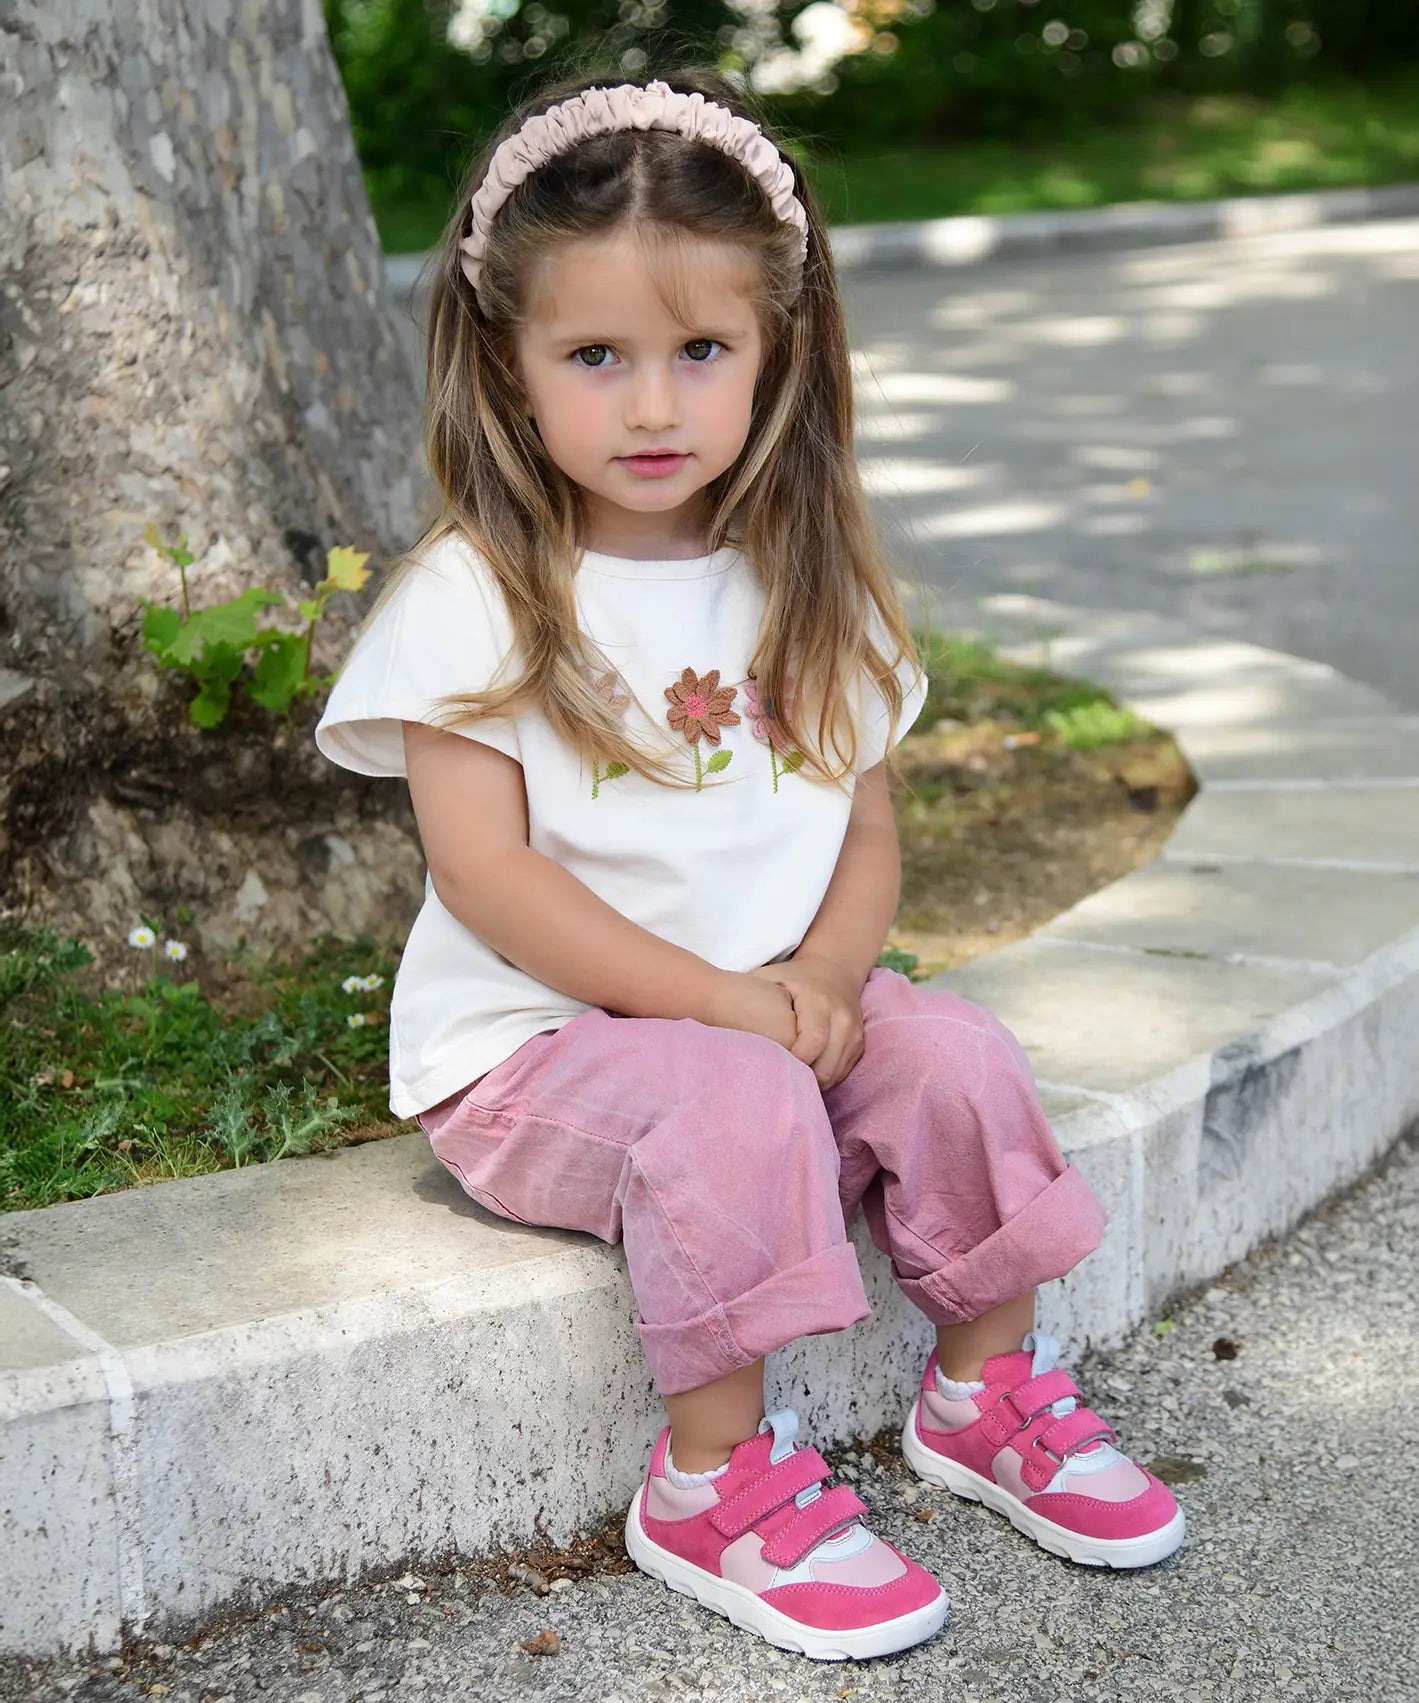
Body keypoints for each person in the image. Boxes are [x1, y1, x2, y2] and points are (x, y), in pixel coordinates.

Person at [316, 67, 1185, 1663]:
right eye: (597, 358)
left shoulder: (809, 576)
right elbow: (495, 880)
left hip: (767, 1012)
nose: (654, 408)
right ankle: (710, 1480)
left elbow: (861, 818)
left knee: (952, 1052)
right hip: (537, 1053)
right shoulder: (477, 598)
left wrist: (832, 981)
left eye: (700, 353)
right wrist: (723, 1007)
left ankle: (986, 1389)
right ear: (508, 369)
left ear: (778, 351)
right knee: (727, 1097)